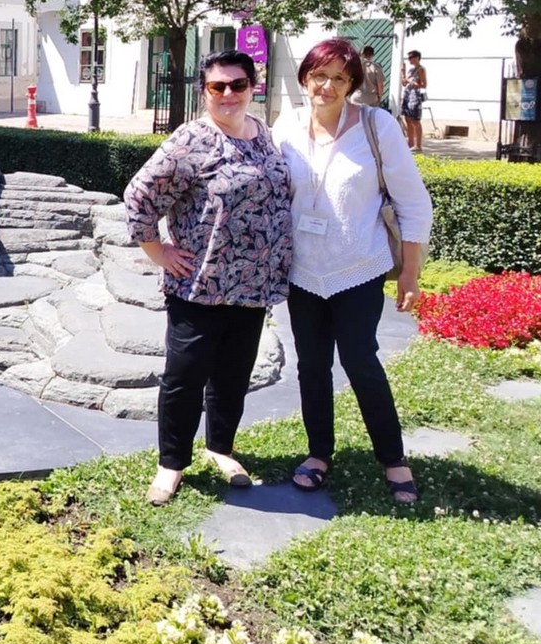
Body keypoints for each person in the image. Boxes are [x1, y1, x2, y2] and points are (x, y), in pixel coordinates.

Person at [122, 49, 293, 506]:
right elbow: (139, 195)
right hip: (199, 285)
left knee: (233, 375)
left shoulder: (264, 135)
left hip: (253, 285)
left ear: (252, 88)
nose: (228, 94)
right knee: (185, 376)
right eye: (218, 86)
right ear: (205, 92)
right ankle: (171, 464)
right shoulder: (191, 140)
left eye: (238, 84)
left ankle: (221, 448)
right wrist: (157, 251)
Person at [273, 38, 433, 505]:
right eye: (319, 76)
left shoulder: (376, 126)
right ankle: (318, 453)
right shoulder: (286, 125)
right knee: (311, 366)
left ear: (352, 85)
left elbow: (413, 203)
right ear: (305, 77)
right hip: (303, 271)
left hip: (359, 266)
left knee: (361, 361)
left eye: (339, 79)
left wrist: (410, 275)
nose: (327, 86)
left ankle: (393, 458)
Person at [399, 50, 428, 153]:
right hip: (407, 96)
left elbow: (423, 85)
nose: (409, 59)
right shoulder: (410, 70)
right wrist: (403, 74)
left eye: (411, 57)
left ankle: (418, 145)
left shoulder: (420, 69)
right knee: (407, 119)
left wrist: (411, 82)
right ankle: (410, 143)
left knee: (415, 121)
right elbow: (404, 83)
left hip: (415, 96)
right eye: (408, 58)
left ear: (417, 58)